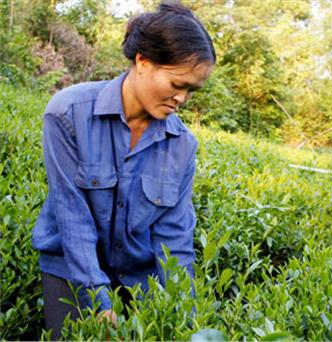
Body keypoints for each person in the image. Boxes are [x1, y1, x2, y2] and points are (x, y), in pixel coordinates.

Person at [32, 3, 215, 338]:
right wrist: (99, 299)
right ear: (143, 61)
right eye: (177, 83)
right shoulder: (68, 114)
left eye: (191, 89)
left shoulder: (182, 145)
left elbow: (175, 239)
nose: (182, 98)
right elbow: (72, 216)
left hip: (138, 277)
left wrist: (184, 315)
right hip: (70, 269)